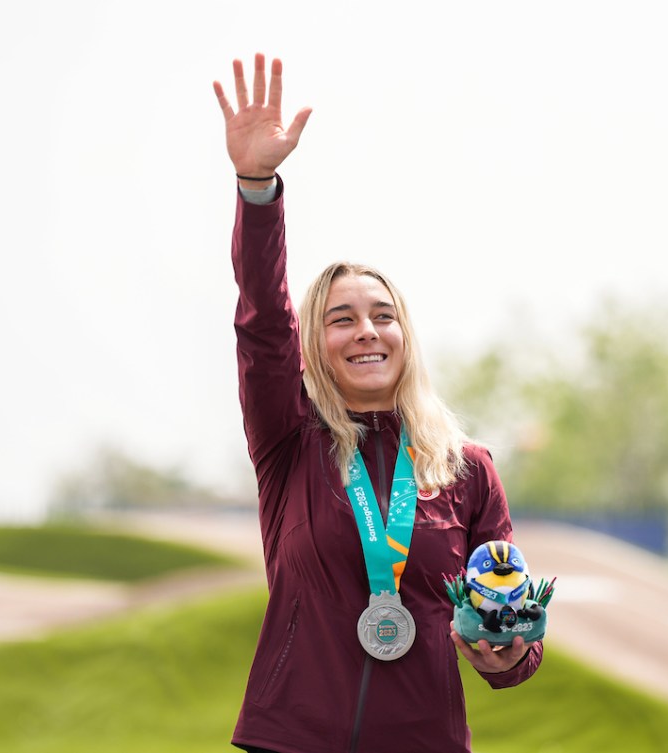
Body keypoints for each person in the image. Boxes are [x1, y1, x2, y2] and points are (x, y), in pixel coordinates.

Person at [214, 53, 544, 753]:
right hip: (291, 739)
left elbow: (508, 621)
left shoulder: (467, 468)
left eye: (381, 315)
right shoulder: (288, 439)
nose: (365, 330)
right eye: (340, 318)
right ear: (314, 342)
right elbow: (261, 323)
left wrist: (504, 650)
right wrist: (256, 188)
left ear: (404, 335)